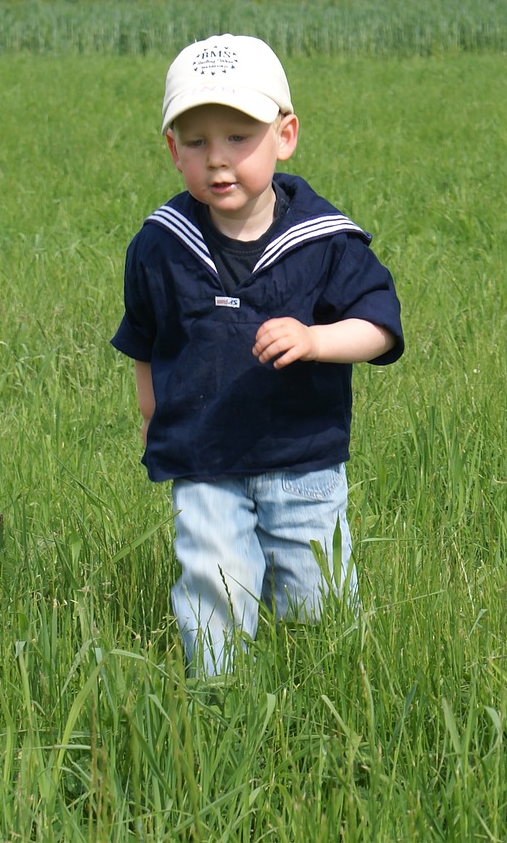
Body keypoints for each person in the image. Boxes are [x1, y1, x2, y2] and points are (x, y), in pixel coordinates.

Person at [111, 34, 404, 676]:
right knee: (214, 577)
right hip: (203, 453)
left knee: (315, 592)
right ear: (172, 150)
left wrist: (318, 340)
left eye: (239, 138)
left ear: (285, 135)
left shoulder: (324, 241)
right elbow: (145, 338)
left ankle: (321, 685)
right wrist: (151, 413)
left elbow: (380, 327)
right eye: (197, 142)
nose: (218, 161)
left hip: (302, 457)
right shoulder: (162, 245)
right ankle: (220, 694)